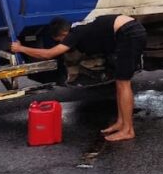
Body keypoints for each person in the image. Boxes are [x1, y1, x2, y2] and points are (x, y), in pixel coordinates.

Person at [11, 14, 146, 142]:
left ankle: (128, 130)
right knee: (119, 82)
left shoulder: (73, 34)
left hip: (129, 33)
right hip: (127, 30)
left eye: (59, 41)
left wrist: (21, 48)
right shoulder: (78, 27)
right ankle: (121, 123)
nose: (62, 44)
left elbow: (49, 54)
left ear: (63, 35)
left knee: (123, 83)